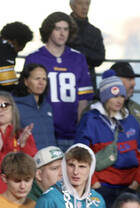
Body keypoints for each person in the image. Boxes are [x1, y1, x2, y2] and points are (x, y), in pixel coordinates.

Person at [75, 77, 140, 207]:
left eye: (121, 96)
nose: (119, 100)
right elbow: (80, 155)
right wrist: (93, 181)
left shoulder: (131, 121)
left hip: (129, 186)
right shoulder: (90, 120)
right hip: (101, 186)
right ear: (105, 97)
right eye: (114, 96)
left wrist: (138, 180)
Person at [24, 12, 95, 147]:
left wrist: (80, 130)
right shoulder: (34, 58)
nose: (62, 33)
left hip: (71, 132)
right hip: (43, 132)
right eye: (57, 29)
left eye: (66, 29)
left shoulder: (78, 58)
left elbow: (83, 99)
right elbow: (28, 98)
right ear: (49, 30)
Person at [12, 62, 57, 156]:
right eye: (37, 78)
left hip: (49, 161)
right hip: (27, 161)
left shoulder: (47, 106)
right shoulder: (15, 107)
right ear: (26, 81)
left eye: (44, 79)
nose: (41, 83)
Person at [67, 0, 105, 83]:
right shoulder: (63, 28)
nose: (84, 7)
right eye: (80, 3)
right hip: (65, 77)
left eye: (87, 3)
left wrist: (77, 50)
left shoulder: (95, 31)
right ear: (71, 5)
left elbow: (99, 58)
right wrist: (87, 56)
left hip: (88, 79)